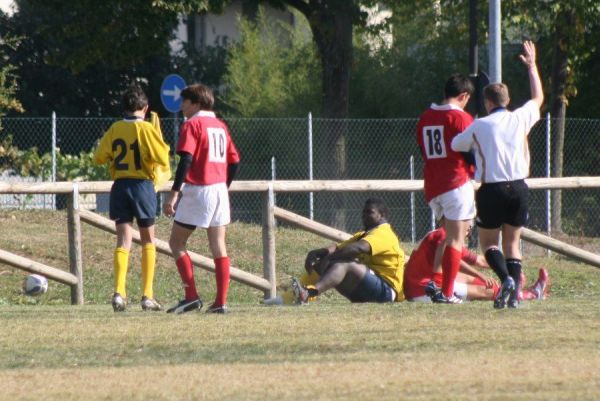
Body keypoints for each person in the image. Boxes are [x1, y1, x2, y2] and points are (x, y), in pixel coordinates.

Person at [451, 40, 544, 309]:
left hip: (491, 189)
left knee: (488, 243)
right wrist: (532, 67)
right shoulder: (520, 117)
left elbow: (457, 144)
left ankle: (506, 280)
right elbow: (538, 98)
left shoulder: (480, 125)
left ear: (487, 102)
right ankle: (514, 297)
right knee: (512, 244)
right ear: (508, 101)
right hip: (519, 187)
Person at [163, 83, 240, 314]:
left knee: (176, 243)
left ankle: (191, 296)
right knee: (218, 245)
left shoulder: (193, 124)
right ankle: (220, 303)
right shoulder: (219, 125)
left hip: (199, 190)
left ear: (195, 103)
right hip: (218, 190)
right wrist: (223, 186)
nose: (181, 106)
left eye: (184, 102)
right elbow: (234, 161)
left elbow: (186, 160)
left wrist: (174, 194)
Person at [94, 85, 170, 312]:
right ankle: (147, 295)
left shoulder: (115, 128)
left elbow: (99, 158)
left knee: (123, 241)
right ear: (145, 108)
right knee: (148, 240)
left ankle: (119, 293)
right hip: (142, 186)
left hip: (120, 187)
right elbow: (163, 157)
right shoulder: (147, 129)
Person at [416, 73, 475, 304]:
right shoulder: (461, 118)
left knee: (448, 237)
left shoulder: (425, 117)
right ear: (463, 96)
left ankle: (436, 281)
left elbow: (423, 151)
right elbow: (470, 152)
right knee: (456, 240)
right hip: (455, 183)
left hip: (433, 186)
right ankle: (448, 293)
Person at [292, 198, 405, 304]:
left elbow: (358, 248)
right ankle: (292, 297)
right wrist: (319, 252)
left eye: (369, 212)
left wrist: (330, 258)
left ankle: (310, 293)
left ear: (382, 215)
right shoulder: (363, 234)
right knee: (326, 261)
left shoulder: (385, 233)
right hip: (369, 290)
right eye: (363, 212)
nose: (364, 215)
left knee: (345, 264)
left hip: (386, 292)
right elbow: (338, 248)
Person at [404, 226, 550, 302]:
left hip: (422, 285)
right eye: (468, 223)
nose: (469, 229)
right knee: (486, 290)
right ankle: (532, 294)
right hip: (422, 291)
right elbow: (451, 260)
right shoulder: (444, 236)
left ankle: (512, 286)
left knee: (467, 278)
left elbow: (479, 260)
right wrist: (480, 274)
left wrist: (509, 269)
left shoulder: (444, 233)